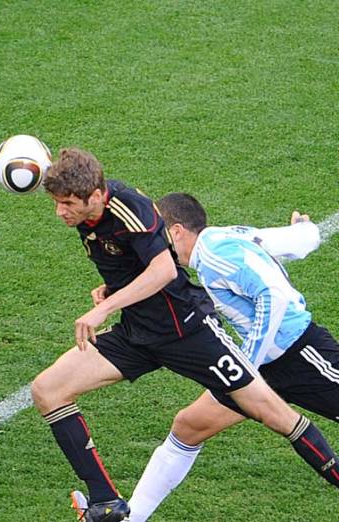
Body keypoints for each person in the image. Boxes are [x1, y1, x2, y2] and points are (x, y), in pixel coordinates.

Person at [28, 148, 339, 522]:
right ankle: (112, 507)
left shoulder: (204, 247)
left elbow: (169, 273)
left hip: (279, 351)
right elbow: (277, 242)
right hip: (142, 335)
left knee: (281, 419)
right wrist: (303, 231)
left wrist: (250, 365)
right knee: (180, 425)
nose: (60, 212)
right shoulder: (95, 218)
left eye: (66, 204)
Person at [127, 193, 339, 521]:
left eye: (159, 235)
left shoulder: (214, 256)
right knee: (189, 426)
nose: (156, 246)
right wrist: (305, 228)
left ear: (178, 231)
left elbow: (274, 297)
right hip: (264, 366)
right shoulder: (225, 238)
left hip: (302, 354)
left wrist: (247, 368)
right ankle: (131, 518)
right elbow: (298, 240)